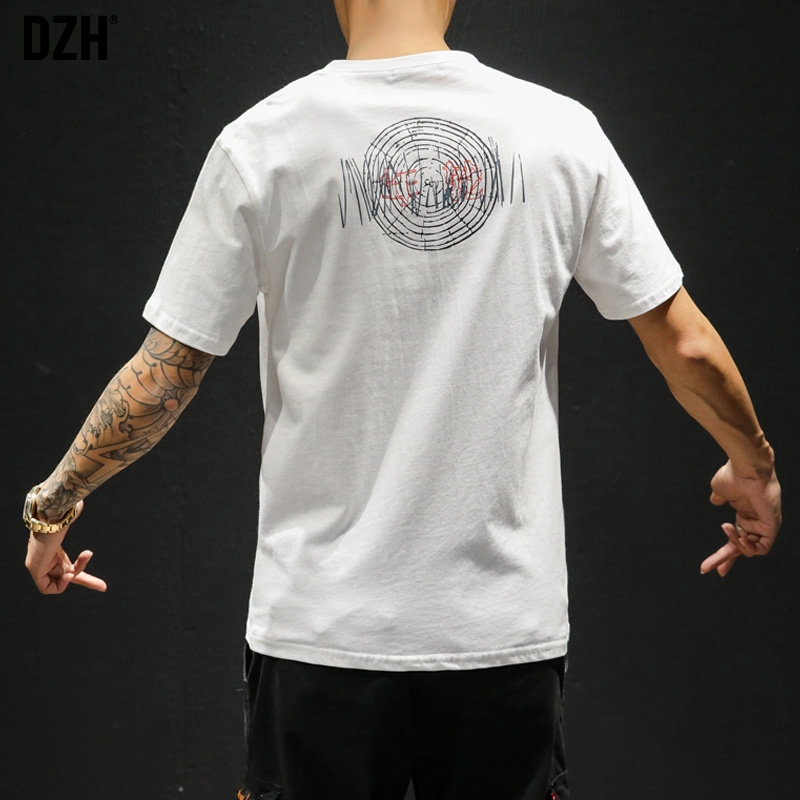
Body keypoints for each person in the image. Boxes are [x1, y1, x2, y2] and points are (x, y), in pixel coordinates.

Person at [22, 1, 782, 798]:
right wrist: (753, 466)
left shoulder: (264, 143)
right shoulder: (560, 133)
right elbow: (686, 344)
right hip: (500, 634)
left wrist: (55, 503)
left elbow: (167, 371)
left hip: (322, 633)